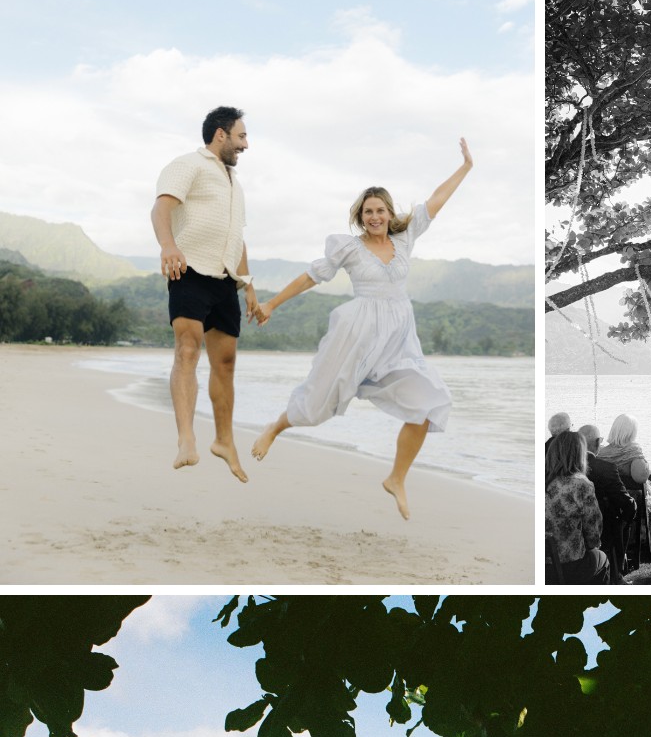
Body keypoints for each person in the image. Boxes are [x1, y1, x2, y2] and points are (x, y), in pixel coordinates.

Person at [248, 140, 471, 520]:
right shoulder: (348, 248)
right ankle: (276, 426)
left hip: (397, 343)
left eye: (380, 210)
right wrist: (271, 303)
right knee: (318, 405)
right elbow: (310, 277)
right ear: (359, 215)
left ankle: (397, 478)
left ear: (389, 212)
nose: (374, 216)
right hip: (356, 337)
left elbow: (437, 198)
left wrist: (466, 166)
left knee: (429, 402)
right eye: (368, 211)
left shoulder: (405, 238)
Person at [152, 105, 259, 481]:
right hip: (189, 269)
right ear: (220, 134)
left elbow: (238, 238)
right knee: (188, 347)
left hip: (225, 279)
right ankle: (186, 439)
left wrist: (248, 285)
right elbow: (161, 207)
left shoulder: (234, 183)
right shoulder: (189, 165)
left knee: (226, 362)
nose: (246, 144)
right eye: (241, 136)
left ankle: (224, 440)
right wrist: (168, 247)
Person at [544, 430, 608, 583]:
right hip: (569, 566)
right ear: (580, 455)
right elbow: (593, 535)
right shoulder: (581, 484)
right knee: (602, 559)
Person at [596, 413, 651, 535]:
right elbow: (640, 478)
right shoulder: (633, 450)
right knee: (648, 486)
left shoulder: (601, 453)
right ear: (632, 432)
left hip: (607, 497)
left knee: (650, 486)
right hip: (630, 498)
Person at [581, 423, 634, 583]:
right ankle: (618, 572)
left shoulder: (569, 466)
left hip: (578, 522)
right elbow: (624, 500)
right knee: (627, 511)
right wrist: (630, 507)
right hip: (604, 524)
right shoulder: (606, 468)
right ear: (597, 442)